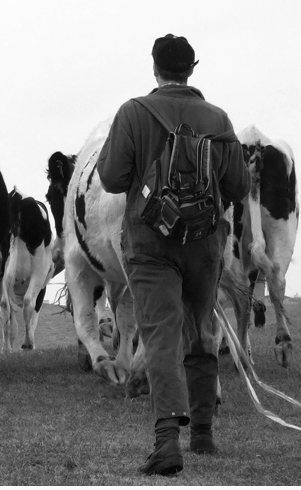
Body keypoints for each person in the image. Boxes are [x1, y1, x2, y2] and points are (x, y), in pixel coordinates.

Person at [96, 34, 250, 476]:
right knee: (201, 329)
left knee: (161, 334)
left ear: (155, 68)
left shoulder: (133, 113)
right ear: (191, 69)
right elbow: (238, 187)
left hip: (149, 245)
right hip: (205, 244)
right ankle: (203, 433)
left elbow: (109, 177)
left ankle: (167, 441)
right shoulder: (218, 119)